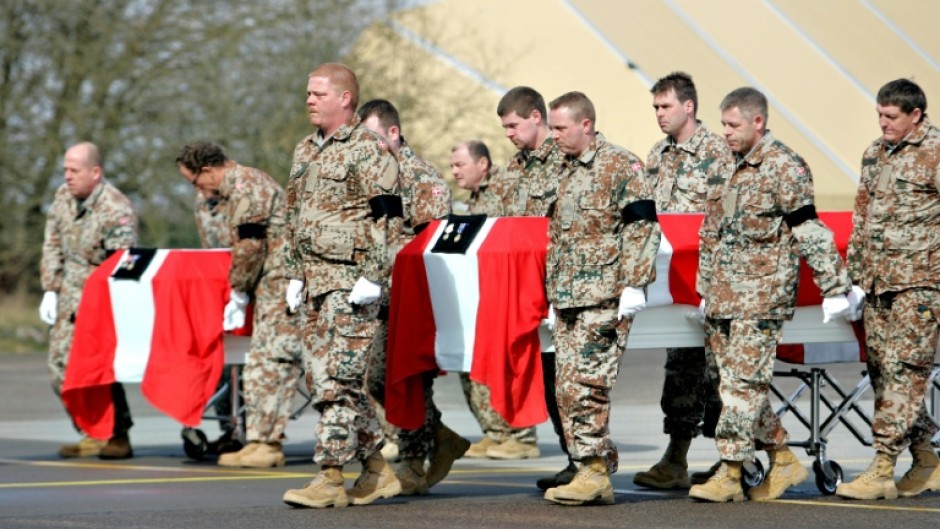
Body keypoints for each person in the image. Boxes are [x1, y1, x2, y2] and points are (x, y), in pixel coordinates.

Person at [689, 87, 854, 503]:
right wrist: (705, 289)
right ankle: (781, 458)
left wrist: (835, 286)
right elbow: (710, 234)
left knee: (743, 385)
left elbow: (808, 229)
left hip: (762, 297)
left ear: (757, 122)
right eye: (723, 124)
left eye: (733, 125)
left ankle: (729, 471)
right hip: (725, 296)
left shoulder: (784, 166)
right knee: (726, 385)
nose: (724, 133)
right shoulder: (725, 167)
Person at [280, 63, 402, 509]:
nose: (309, 100)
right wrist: (294, 271)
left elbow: (387, 216)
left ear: (345, 99)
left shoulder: (369, 150)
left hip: (352, 284)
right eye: (307, 93)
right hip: (314, 283)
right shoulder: (305, 149)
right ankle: (377, 469)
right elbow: (294, 217)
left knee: (338, 379)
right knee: (325, 379)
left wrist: (373, 274)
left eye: (318, 93)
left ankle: (330, 477)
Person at [542, 91, 661, 506]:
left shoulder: (619, 164)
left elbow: (644, 227)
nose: (553, 135)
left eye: (560, 128)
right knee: (565, 388)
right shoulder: (562, 169)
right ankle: (591, 463)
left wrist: (635, 283)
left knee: (588, 386)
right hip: (569, 297)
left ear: (586, 125)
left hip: (605, 296)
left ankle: (593, 472)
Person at [357, 98, 470, 495]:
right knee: (375, 378)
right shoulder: (372, 176)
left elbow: (430, 242)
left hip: (413, 295)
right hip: (378, 296)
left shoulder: (421, 177)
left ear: (392, 132)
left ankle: (413, 460)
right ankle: (439, 436)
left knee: (403, 377)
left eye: (371, 138)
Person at [836, 78, 940, 500]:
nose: (883, 124)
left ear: (916, 115)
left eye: (891, 117)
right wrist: (854, 279)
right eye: (879, 115)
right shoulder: (875, 153)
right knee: (882, 374)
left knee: (905, 373)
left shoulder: (934, 154)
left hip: (921, 283)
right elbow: (862, 217)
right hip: (878, 284)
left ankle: (881, 469)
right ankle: (927, 458)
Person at [176, 142, 303, 468]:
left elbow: (249, 244)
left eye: (195, 181)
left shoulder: (246, 184)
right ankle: (259, 439)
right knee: (261, 362)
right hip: (269, 283)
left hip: (281, 281)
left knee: (272, 363)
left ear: (207, 170)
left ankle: (269, 444)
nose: (197, 189)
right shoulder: (236, 188)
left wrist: (238, 289)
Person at [634, 72, 730, 490]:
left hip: (712, 278)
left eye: (665, 106)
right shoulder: (658, 154)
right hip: (674, 280)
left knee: (722, 373)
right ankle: (676, 458)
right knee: (681, 369)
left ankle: (733, 459)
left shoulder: (719, 152)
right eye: (655, 107)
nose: (658, 114)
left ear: (688, 106)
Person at [39, 141, 138, 459]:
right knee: (60, 368)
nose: (67, 176)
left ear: (95, 172)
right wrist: (51, 288)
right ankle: (91, 431)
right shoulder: (62, 198)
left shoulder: (115, 208)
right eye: (65, 169)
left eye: (74, 170)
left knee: (100, 369)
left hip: (101, 301)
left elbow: (122, 265)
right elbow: (52, 242)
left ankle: (117, 434)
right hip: (68, 297)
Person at [495, 86, 571, 487]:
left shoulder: (566, 160)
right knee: (546, 378)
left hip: (564, 286)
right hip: (527, 292)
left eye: (514, 124)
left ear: (536, 117)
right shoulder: (513, 169)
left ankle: (588, 460)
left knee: (571, 381)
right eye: (504, 126)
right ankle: (573, 458)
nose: (508, 132)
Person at [450, 139, 541, 460]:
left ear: (483, 165)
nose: (454, 171)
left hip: (509, 291)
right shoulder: (473, 200)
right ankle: (497, 432)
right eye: (453, 166)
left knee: (509, 361)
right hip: (481, 291)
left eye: (460, 165)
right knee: (474, 362)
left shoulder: (507, 188)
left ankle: (522, 435)